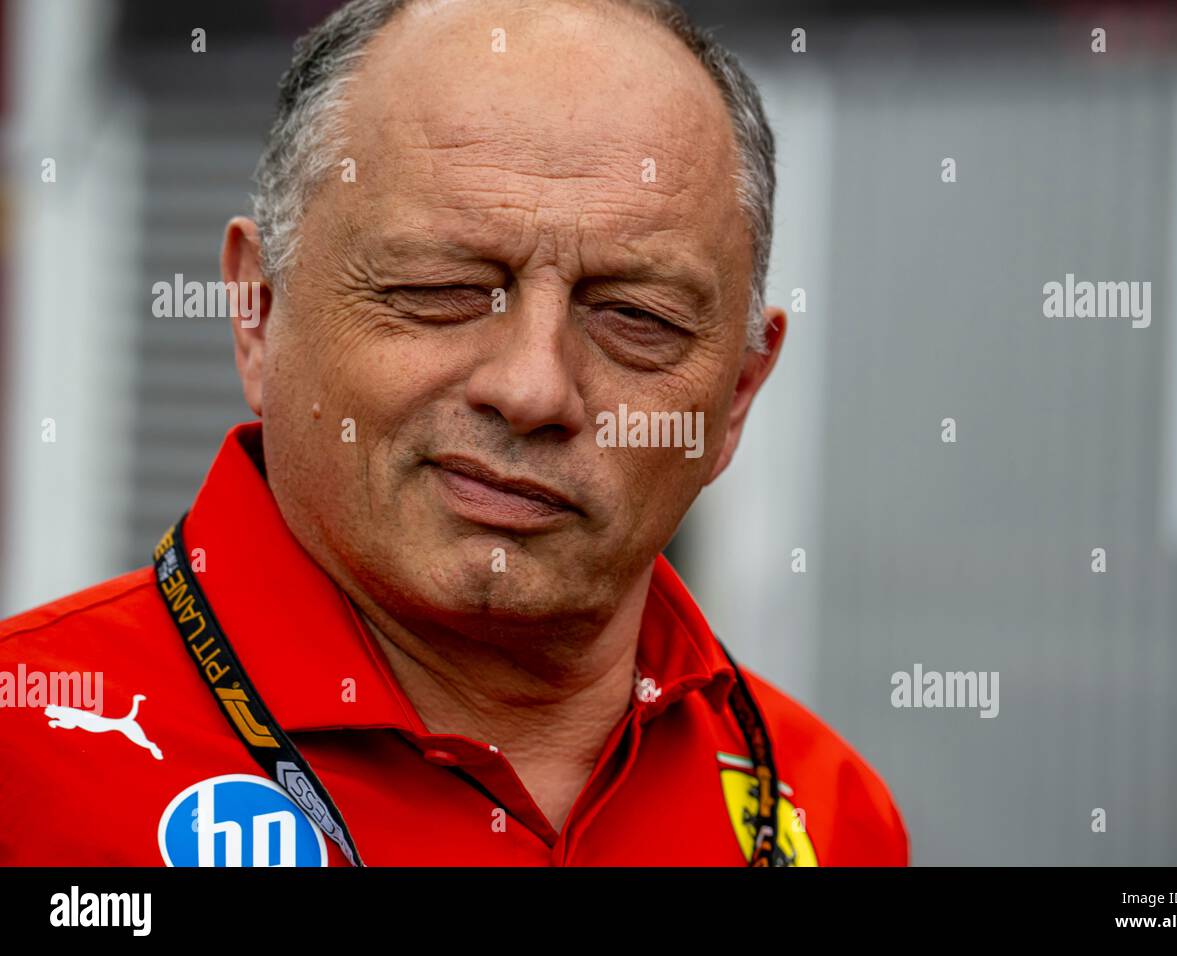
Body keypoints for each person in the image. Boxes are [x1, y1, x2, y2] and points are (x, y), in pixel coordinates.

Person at [0, 0, 906, 866]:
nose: (532, 387)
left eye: (635, 317)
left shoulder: (828, 816)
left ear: (738, 397)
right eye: (440, 291)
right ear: (258, 313)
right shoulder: (28, 759)